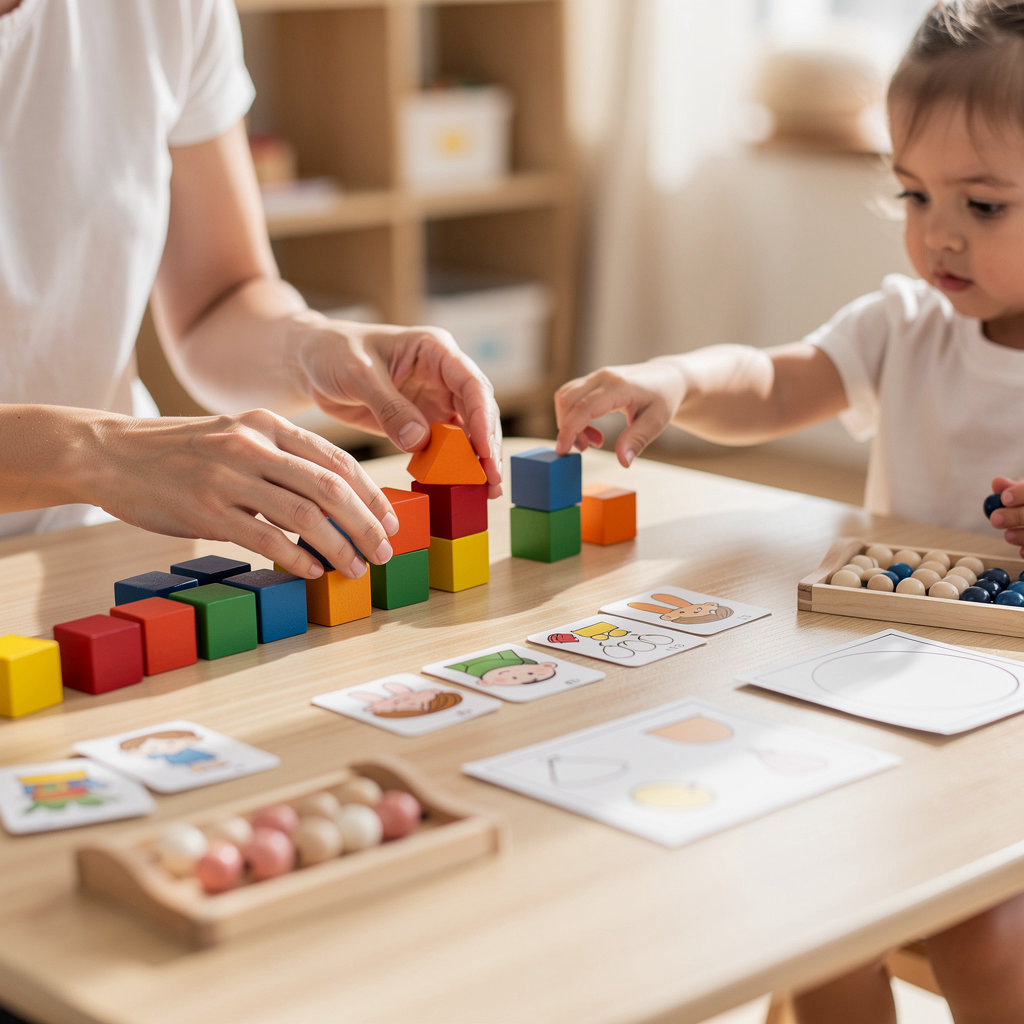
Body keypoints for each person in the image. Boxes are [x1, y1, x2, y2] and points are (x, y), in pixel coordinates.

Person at [555, 2, 1024, 1021]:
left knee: (987, 942)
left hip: (1010, 751)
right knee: (805, 903)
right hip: (895, 705)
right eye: (912, 193)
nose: (935, 232)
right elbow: (772, 383)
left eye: (983, 206)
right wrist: (677, 376)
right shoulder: (908, 326)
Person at [0, 0, 502, 584]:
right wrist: (100, 455)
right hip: (108, 492)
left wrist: (313, 346)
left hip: (100, 541)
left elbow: (220, 295)